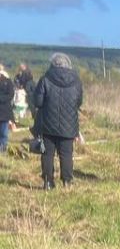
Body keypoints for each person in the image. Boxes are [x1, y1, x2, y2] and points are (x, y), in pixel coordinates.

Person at [32, 53, 83, 190]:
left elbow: (38, 101)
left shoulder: (45, 79)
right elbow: (79, 102)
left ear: (53, 64)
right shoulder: (76, 81)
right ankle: (67, 182)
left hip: (48, 124)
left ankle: (48, 182)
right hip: (69, 125)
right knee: (66, 154)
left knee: (47, 154)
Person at [0, 65, 13, 154]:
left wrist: (1, 98)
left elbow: (11, 94)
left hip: (5, 111)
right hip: (5, 110)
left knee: (4, 133)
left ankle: (3, 149)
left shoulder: (8, 81)